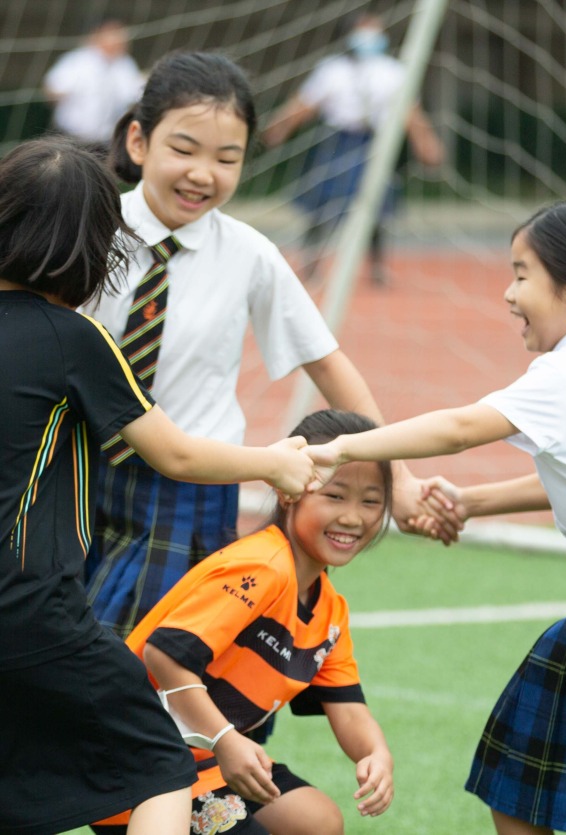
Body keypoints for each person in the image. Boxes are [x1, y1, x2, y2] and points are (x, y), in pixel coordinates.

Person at [307, 198, 566, 835]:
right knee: (524, 762)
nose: (508, 292)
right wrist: (471, 503)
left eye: (522, 274)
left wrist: (342, 446)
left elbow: (460, 428)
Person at [82, 50, 459, 646]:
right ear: (137, 140)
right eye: (184, 149)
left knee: (169, 675)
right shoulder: (87, 227)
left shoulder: (250, 254)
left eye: (226, 158)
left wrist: (399, 475)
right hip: (75, 476)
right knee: (62, 665)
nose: (203, 173)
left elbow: (328, 363)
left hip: (192, 494)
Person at [0, 137, 319, 835]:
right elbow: (173, 453)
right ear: (89, 250)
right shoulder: (72, 337)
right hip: (34, 610)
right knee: (161, 765)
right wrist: (274, 461)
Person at [91, 409, 394, 835]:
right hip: (136, 757)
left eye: (371, 501)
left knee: (318, 821)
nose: (353, 516)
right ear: (289, 492)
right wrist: (225, 740)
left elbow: (348, 708)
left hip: (204, 758)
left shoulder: (330, 610)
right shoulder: (263, 566)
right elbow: (164, 654)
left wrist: (376, 753)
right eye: (335, 495)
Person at [262, 12, 444, 285]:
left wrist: (426, 144)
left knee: (375, 205)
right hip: (338, 140)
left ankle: (377, 267)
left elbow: (411, 113)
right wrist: (278, 128)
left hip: (373, 143)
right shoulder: (332, 69)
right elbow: (303, 105)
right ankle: (311, 261)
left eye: (375, 30)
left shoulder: (393, 71)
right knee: (323, 205)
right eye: (363, 31)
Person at [42, 17, 145, 150]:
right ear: (98, 35)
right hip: (71, 137)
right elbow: (52, 89)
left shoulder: (125, 64)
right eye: (113, 34)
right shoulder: (77, 60)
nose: (120, 39)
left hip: (107, 140)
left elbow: (134, 94)